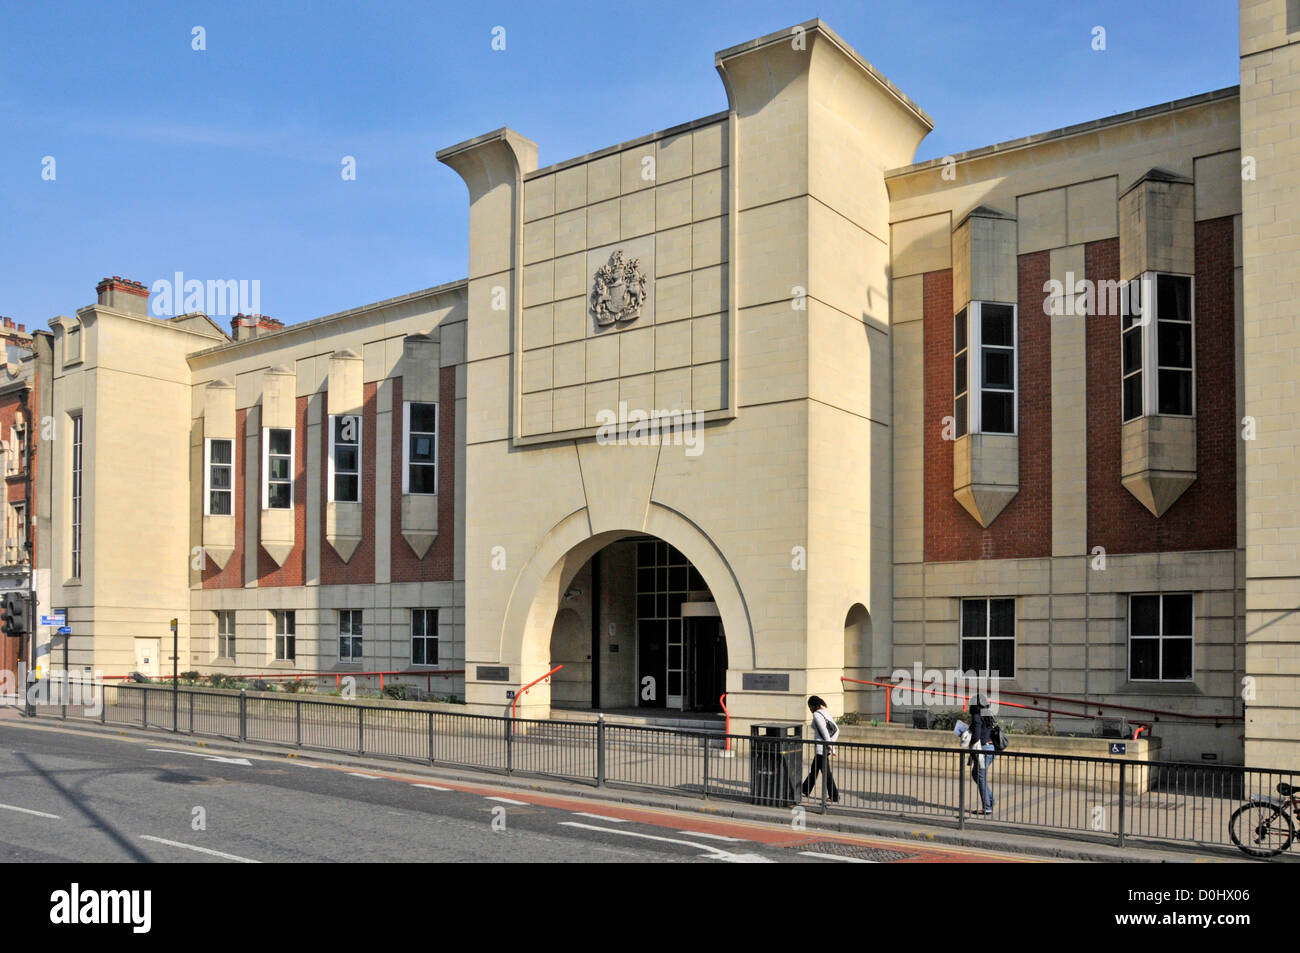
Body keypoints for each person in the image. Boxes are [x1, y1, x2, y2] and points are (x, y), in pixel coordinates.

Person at [800, 696, 840, 802]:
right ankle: (804, 790)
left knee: (825, 773)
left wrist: (832, 748)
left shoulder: (817, 715)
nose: (809, 709)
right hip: (824, 748)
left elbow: (825, 732)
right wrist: (832, 744)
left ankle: (834, 796)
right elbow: (836, 730)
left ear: (813, 706)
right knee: (814, 770)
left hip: (822, 749)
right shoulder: (824, 712)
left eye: (810, 707)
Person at [967, 695, 995, 815]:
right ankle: (990, 800)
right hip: (990, 748)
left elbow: (977, 736)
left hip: (983, 750)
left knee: (980, 777)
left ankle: (987, 807)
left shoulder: (977, 717)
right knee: (976, 774)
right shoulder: (988, 715)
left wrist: (966, 738)